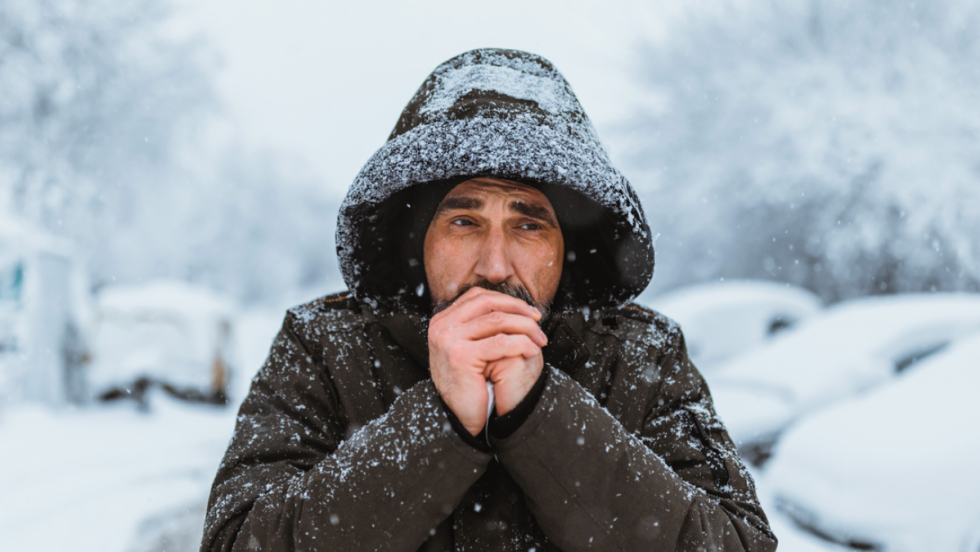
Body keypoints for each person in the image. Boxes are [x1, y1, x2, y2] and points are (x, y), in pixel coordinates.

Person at [201, 48, 777, 552]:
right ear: (417, 243)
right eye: (463, 221)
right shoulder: (325, 350)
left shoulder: (642, 359)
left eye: (529, 226)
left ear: (567, 248)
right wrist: (440, 421)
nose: (495, 266)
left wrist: (539, 412)